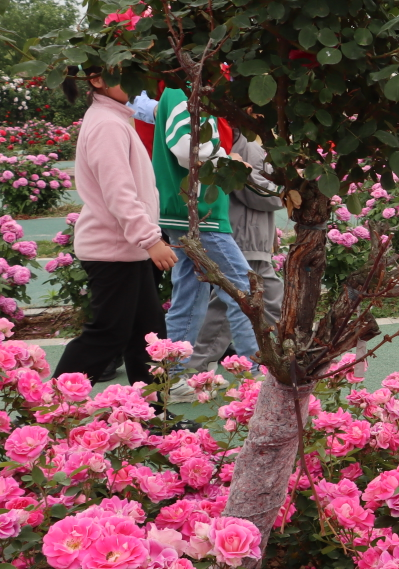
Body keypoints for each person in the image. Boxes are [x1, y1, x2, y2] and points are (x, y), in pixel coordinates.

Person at [53, 70, 178, 384]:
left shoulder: (115, 118)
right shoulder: (107, 125)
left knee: (148, 337)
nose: (137, 83)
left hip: (126, 250)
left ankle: (154, 420)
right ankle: (50, 411)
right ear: (97, 80)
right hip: (112, 252)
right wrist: (150, 239)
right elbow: (119, 194)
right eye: (125, 76)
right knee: (108, 335)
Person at [152, 86, 261, 366]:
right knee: (243, 292)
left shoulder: (184, 92)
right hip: (199, 214)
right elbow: (186, 148)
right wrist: (227, 160)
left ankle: (173, 378)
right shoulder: (181, 92)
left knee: (189, 299)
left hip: (187, 213)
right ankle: (258, 374)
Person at [181, 133, 285, 374]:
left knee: (255, 298)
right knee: (237, 302)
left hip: (246, 234)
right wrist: (286, 191)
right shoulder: (243, 148)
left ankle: (281, 354)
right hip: (245, 235)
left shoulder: (228, 144)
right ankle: (195, 365)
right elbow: (258, 194)